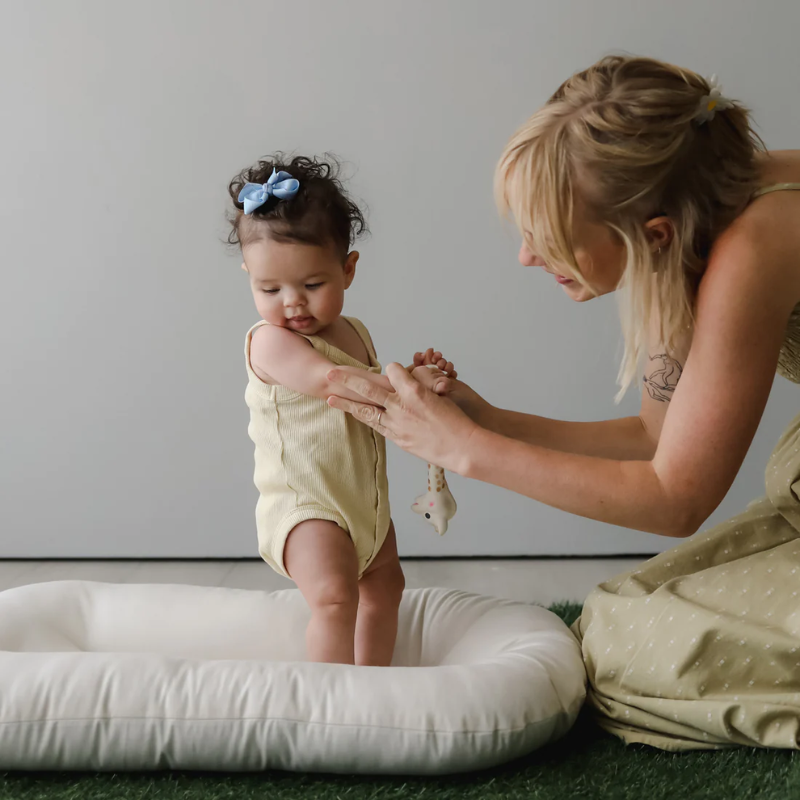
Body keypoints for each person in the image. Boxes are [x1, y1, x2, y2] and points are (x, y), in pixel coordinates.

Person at [326, 56, 800, 749]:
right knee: (618, 613)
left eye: (546, 237)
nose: (525, 256)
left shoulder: (758, 240)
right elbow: (653, 436)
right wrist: (484, 419)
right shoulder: (696, 213)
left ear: (653, 232)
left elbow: (677, 497)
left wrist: (465, 450)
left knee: (624, 649)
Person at [228, 155, 454, 666]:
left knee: (385, 586)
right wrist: (402, 388)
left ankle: (370, 686)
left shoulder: (355, 332)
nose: (292, 303)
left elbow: (361, 378)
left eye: (312, 286)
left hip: (364, 502)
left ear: (347, 270)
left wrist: (418, 378)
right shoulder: (269, 343)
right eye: (269, 289)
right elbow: (330, 379)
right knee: (334, 596)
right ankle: (327, 702)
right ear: (250, 276)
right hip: (307, 504)